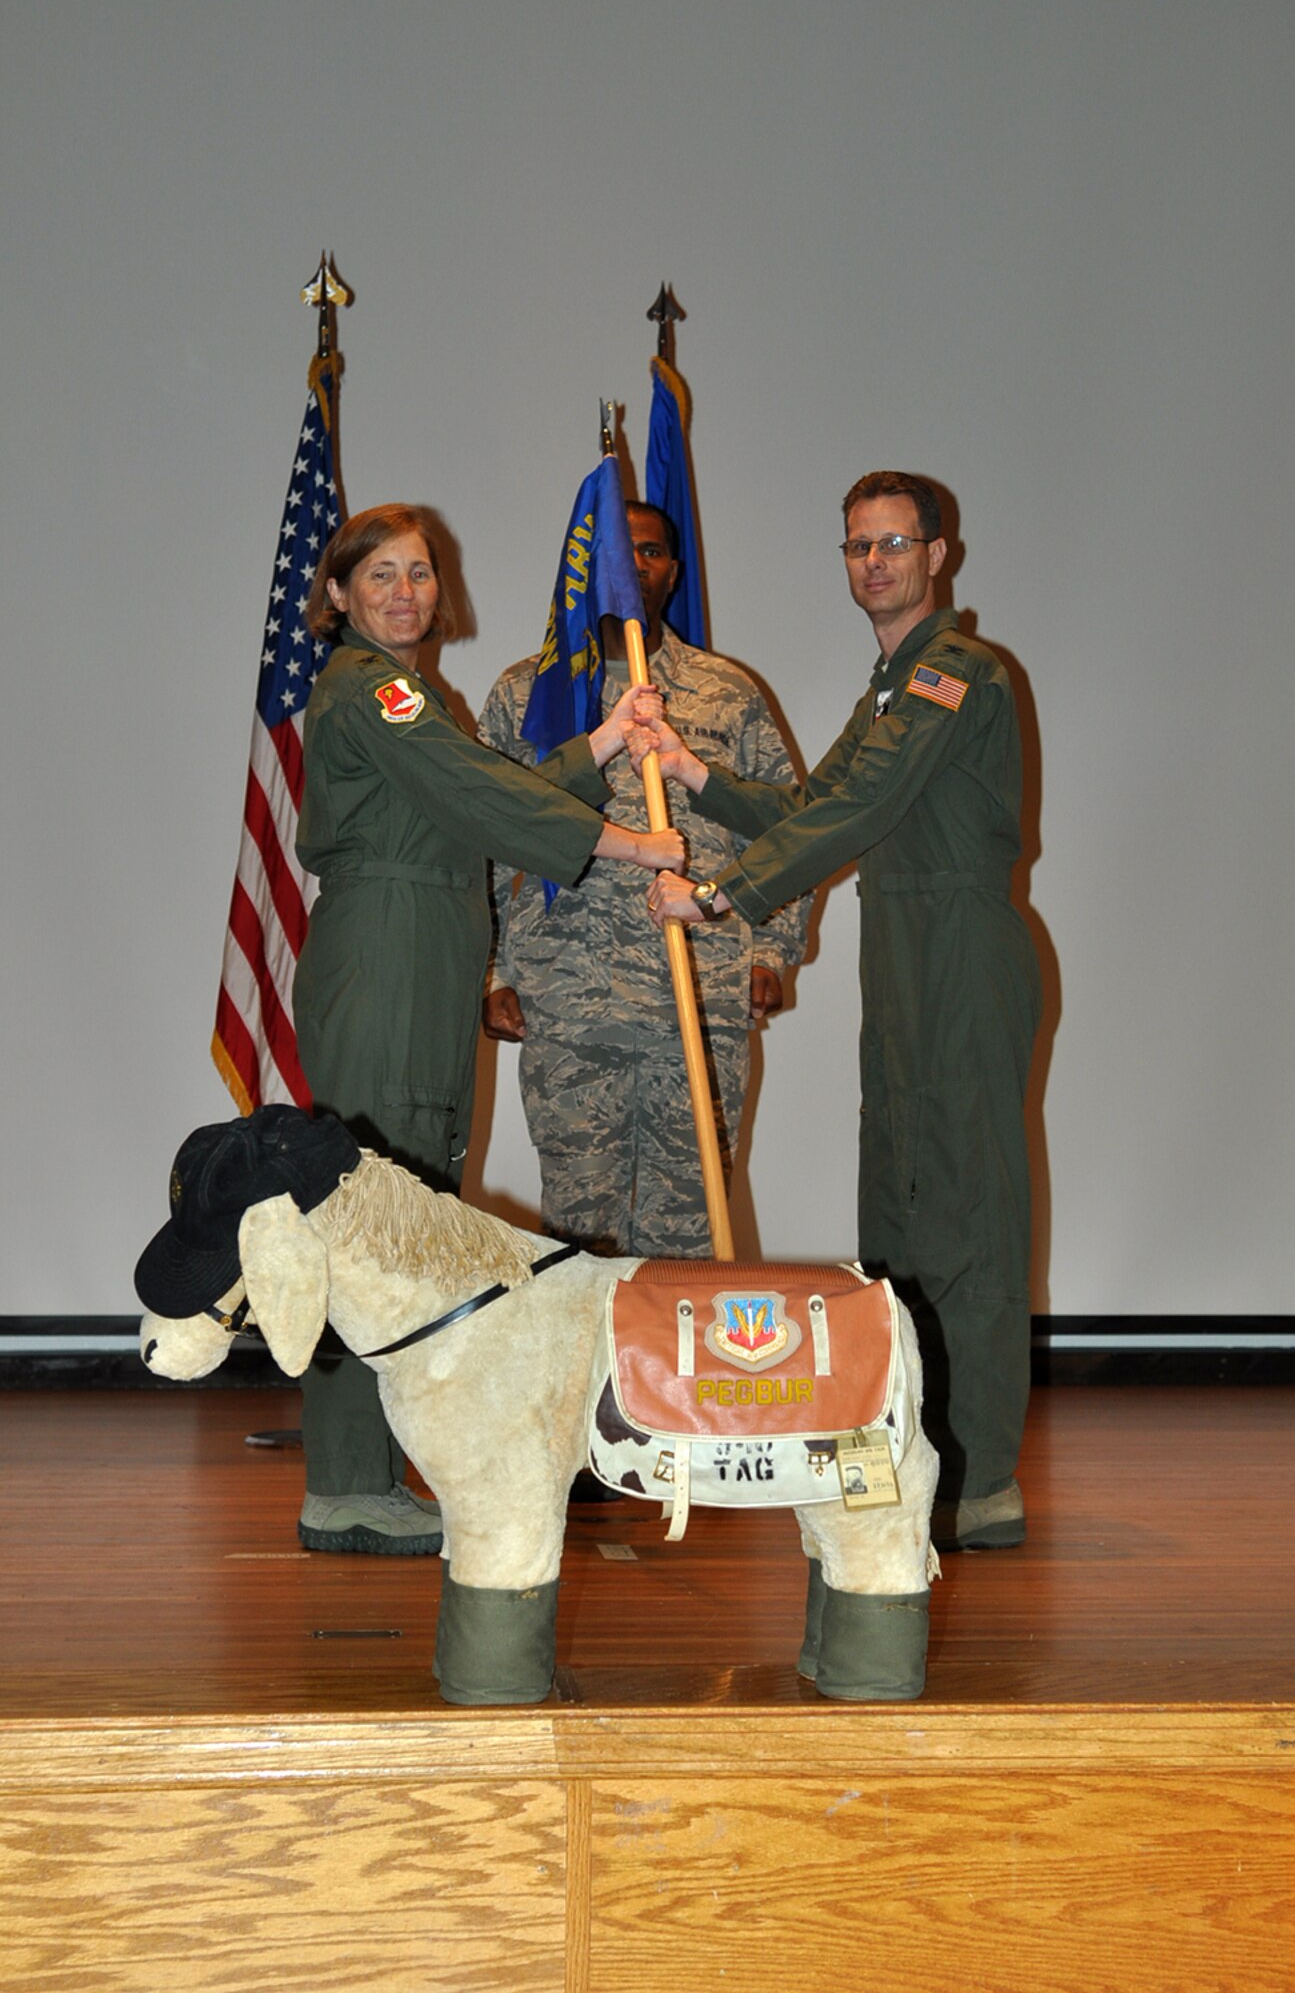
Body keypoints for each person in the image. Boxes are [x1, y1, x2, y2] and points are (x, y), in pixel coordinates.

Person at [642, 472, 1041, 1549]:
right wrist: (698, 776)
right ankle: (916, 1449)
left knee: (965, 1209)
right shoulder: (890, 685)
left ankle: (983, 1475)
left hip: (958, 946)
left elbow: (858, 808)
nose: (873, 562)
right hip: (907, 948)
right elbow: (818, 801)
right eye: (856, 546)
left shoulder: (956, 673)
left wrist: (722, 892)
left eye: (893, 543)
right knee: (903, 1204)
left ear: (938, 554)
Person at [291, 503, 682, 1552]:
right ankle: (345, 1478)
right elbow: (478, 790)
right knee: (367, 1216)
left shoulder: (414, 694)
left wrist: (603, 739)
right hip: (386, 954)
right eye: (379, 574)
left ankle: (369, 1469)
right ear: (336, 593)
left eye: (418, 572)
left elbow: (477, 791)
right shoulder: (372, 686)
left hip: (415, 952)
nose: (404, 591)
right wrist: (629, 846)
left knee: (406, 1207)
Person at [478, 501, 809, 1257]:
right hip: (568, 1004)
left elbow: (790, 826)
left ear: (672, 570)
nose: (634, 568)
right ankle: (594, 1384)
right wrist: (492, 968)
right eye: (618, 553)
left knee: (691, 1235)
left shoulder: (728, 691)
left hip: (700, 992)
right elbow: (482, 839)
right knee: (578, 1234)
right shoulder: (529, 694)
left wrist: (772, 950)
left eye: (651, 552)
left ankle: (678, 1382)